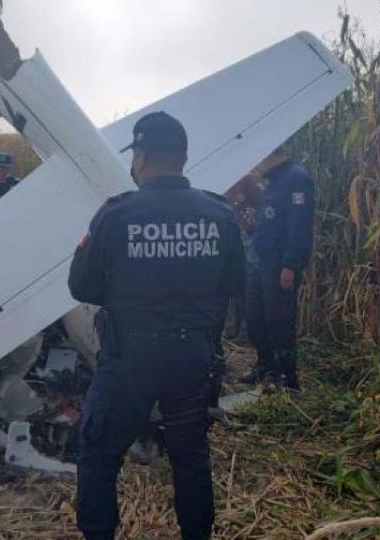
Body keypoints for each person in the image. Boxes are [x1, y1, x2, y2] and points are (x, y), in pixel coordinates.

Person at [68, 111, 246, 540]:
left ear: (142, 158)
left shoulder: (116, 215)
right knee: (190, 457)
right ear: (183, 157)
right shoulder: (219, 214)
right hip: (191, 358)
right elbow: (235, 284)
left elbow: (82, 286)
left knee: (99, 454)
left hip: (130, 359)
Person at [242, 145, 315, 389]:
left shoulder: (296, 178)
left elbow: (299, 226)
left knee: (280, 320)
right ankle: (266, 366)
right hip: (259, 261)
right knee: (255, 316)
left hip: (279, 264)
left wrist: (291, 264)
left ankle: (287, 377)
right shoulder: (272, 180)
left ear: (269, 153)